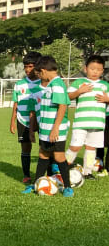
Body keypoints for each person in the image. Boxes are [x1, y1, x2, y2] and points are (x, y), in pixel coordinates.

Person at [23, 55, 74, 196]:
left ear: (44, 71)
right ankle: (35, 184)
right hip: (46, 129)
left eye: (39, 74)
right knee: (43, 155)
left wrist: (55, 128)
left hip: (55, 130)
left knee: (59, 157)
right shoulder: (50, 85)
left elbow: (63, 106)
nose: (39, 77)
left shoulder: (57, 84)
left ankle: (68, 187)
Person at [65, 54, 109, 178]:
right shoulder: (79, 82)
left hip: (98, 123)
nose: (95, 72)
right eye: (92, 68)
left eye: (99, 69)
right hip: (81, 123)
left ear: (102, 71)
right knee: (75, 146)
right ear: (85, 68)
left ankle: (87, 172)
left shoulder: (105, 85)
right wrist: (79, 91)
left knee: (91, 148)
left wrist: (107, 99)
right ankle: (64, 167)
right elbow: (67, 97)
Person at [9, 51, 42, 183]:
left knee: (44, 147)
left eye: (31, 66)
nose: (28, 70)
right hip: (23, 119)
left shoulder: (44, 84)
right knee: (25, 147)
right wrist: (12, 122)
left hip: (40, 119)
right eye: (26, 66)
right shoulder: (19, 84)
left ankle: (46, 174)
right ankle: (26, 175)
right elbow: (15, 104)